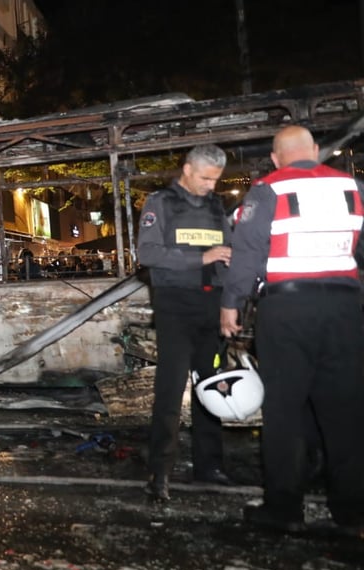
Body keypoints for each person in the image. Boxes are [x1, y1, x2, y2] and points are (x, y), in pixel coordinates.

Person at [220, 126, 364, 535]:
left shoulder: (269, 190)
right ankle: (352, 509)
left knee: (284, 410)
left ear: (277, 158)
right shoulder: (353, 187)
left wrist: (231, 304)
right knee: (347, 410)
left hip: (287, 310)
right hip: (343, 310)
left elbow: (247, 253)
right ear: (316, 152)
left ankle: (284, 508)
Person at [136, 144, 234, 501]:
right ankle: (159, 472)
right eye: (206, 178)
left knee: (213, 385)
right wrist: (200, 256)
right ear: (188, 169)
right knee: (170, 389)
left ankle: (210, 466)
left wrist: (231, 303)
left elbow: (228, 252)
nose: (211, 185)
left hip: (212, 305)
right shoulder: (159, 204)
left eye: (216, 179)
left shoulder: (215, 206)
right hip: (175, 306)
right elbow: (147, 253)